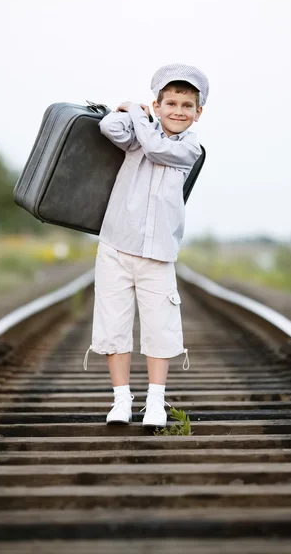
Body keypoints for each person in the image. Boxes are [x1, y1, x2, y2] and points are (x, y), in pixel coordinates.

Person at [83, 63, 209, 428]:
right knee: (113, 323)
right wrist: (125, 110)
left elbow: (155, 148)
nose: (178, 112)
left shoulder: (190, 147)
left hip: (158, 254)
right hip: (116, 245)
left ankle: (156, 402)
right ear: (158, 105)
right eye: (171, 103)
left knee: (159, 327)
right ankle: (121, 400)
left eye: (187, 106)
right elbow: (108, 127)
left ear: (198, 113)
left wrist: (136, 113)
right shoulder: (141, 131)